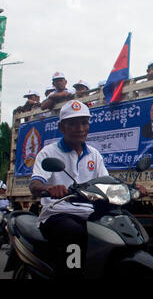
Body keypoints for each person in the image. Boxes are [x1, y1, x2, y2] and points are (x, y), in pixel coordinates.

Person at [29, 100, 146, 278]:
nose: (80, 128)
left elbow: (106, 181)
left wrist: (130, 188)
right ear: (62, 127)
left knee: (124, 225)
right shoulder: (48, 153)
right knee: (73, 233)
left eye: (84, 122)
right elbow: (35, 185)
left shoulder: (94, 154)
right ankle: (70, 276)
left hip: (90, 212)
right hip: (58, 213)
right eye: (73, 123)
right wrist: (50, 188)